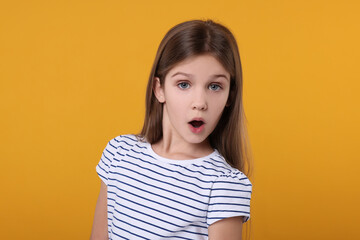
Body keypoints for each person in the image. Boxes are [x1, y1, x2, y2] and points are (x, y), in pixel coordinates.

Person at [90, 19, 253, 240]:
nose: (200, 102)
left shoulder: (223, 184)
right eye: (184, 84)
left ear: (229, 97)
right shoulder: (119, 153)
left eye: (215, 86)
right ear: (159, 89)